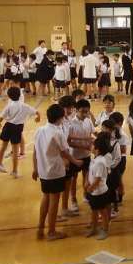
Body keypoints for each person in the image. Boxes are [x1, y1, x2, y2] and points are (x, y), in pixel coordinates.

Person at [33, 104, 82, 241]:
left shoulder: (39, 130)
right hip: (55, 171)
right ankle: (51, 231)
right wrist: (75, 161)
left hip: (43, 171)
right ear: (60, 118)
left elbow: (35, 151)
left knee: (46, 197)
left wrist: (35, 168)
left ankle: (40, 228)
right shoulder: (58, 133)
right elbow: (64, 152)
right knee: (54, 201)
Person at [0, 87, 40, 177]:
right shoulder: (25, 106)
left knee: (3, 146)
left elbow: (1, 117)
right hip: (17, 128)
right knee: (15, 151)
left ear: (9, 96)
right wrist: (38, 117)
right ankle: (14, 171)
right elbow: (37, 112)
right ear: (20, 95)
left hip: (7, 126)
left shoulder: (9, 106)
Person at [67, 98, 95, 211]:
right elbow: (69, 142)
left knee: (87, 177)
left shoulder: (88, 120)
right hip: (74, 156)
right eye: (82, 111)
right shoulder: (70, 124)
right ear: (76, 110)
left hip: (87, 155)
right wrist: (84, 146)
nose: (85, 114)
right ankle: (73, 199)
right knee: (73, 179)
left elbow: (92, 134)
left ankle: (85, 194)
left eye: (87, 111)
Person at [85, 132, 112, 240]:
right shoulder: (95, 158)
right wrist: (87, 181)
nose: (91, 146)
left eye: (93, 145)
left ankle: (105, 230)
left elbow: (98, 179)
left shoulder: (100, 162)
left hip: (99, 192)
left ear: (98, 149)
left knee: (102, 211)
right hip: (93, 191)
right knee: (94, 210)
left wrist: (91, 188)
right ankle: (94, 228)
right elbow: (90, 172)